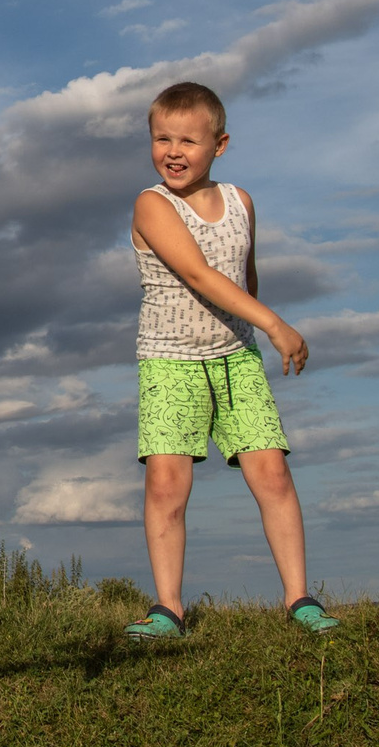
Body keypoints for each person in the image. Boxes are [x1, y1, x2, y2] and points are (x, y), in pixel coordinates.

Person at [122, 80, 338, 640]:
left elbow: (245, 276)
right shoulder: (152, 204)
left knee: (273, 473)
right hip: (171, 361)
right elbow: (199, 274)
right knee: (168, 485)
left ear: (218, 144)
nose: (173, 151)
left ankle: (300, 600)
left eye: (188, 141)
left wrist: (258, 323)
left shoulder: (241, 202)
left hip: (235, 358)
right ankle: (169, 609)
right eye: (161, 138)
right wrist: (274, 324)